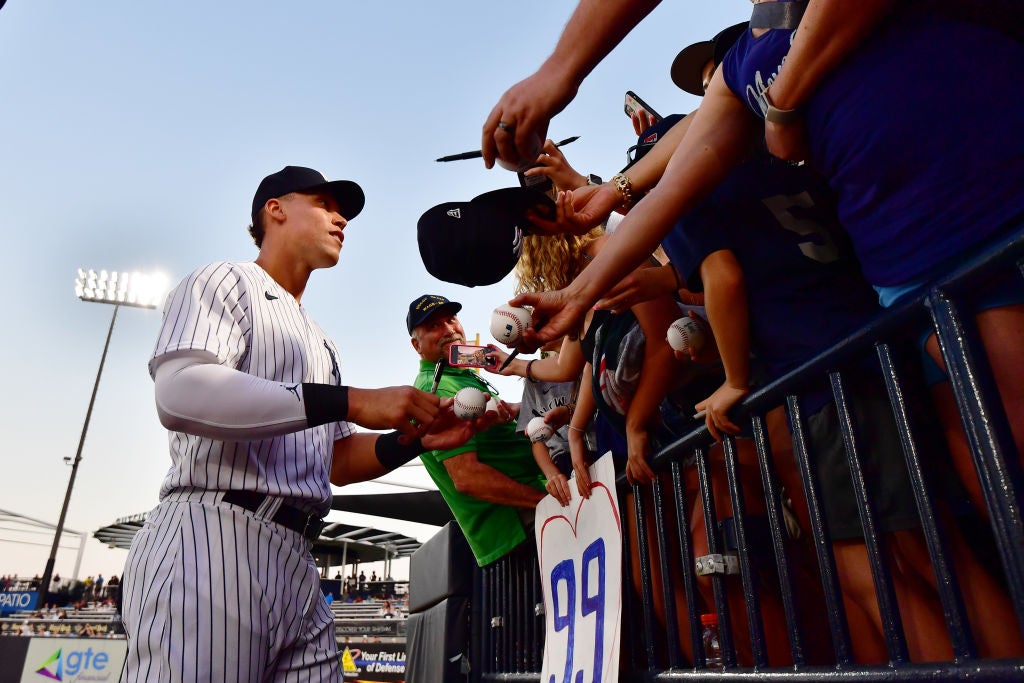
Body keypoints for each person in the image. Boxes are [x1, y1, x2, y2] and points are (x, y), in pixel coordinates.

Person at [120, 166, 487, 683]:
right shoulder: (226, 280)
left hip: (298, 558)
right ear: (276, 209)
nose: (341, 219)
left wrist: (411, 442)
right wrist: (352, 401)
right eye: (325, 204)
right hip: (212, 537)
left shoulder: (320, 339)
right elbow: (182, 392)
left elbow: (336, 461)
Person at [408, 294, 548, 566]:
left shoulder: (459, 374)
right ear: (417, 345)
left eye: (451, 319)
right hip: (517, 526)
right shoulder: (433, 388)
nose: (449, 329)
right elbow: (467, 478)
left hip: (526, 517)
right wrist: (545, 502)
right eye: (435, 325)